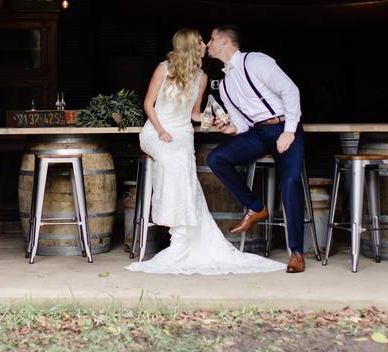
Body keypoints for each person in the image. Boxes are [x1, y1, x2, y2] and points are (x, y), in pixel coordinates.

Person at [125, 28, 286, 275]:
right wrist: (160, 131)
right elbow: (148, 104)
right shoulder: (164, 68)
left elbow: (194, 114)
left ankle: (182, 236)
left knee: (181, 161)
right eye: (201, 41)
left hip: (182, 133)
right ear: (190, 45)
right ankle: (176, 231)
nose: (205, 45)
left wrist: (216, 122)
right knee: (172, 158)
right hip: (156, 130)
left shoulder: (201, 77)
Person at [205, 25, 308, 273]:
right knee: (217, 157)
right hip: (258, 133)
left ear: (225, 41)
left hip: (284, 125)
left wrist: (289, 130)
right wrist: (231, 129)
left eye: (211, 39)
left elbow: (290, 91)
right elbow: (242, 122)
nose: (207, 44)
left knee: (290, 182)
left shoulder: (257, 61)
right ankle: (255, 206)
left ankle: (296, 253)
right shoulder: (226, 84)